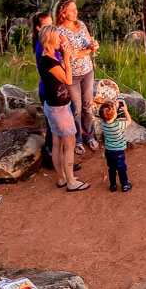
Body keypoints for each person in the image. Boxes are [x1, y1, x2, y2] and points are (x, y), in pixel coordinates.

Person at [36, 24, 89, 192]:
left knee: (57, 144)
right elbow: (67, 79)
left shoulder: (48, 55)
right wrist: (66, 57)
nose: (61, 39)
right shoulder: (50, 61)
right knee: (69, 143)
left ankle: (62, 178)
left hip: (53, 106)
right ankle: (71, 182)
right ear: (51, 40)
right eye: (58, 37)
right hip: (58, 109)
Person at [54, 0, 101, 153]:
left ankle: (90, 137)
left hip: (87, 71)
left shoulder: (81, 25)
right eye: (72, 10)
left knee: (87, 107)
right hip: (71, 75)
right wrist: (88, 50)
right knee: (76, 109)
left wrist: (93, 45)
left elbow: (89, 42)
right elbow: (70, 56)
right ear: (63, 12)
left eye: (76, 9)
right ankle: (78, 140)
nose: (76, 12)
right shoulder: (59, 31)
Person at [98, 99, 132, 192]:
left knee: (112, 169)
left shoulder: (104, 123)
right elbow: (129, 121)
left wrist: (115, 107)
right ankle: (124, 185)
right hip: (119, 152)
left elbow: (109, 116)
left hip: (109, 151)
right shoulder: (118, 125)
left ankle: (113, 185)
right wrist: (125, 110)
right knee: (121, 169)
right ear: (114, 114)